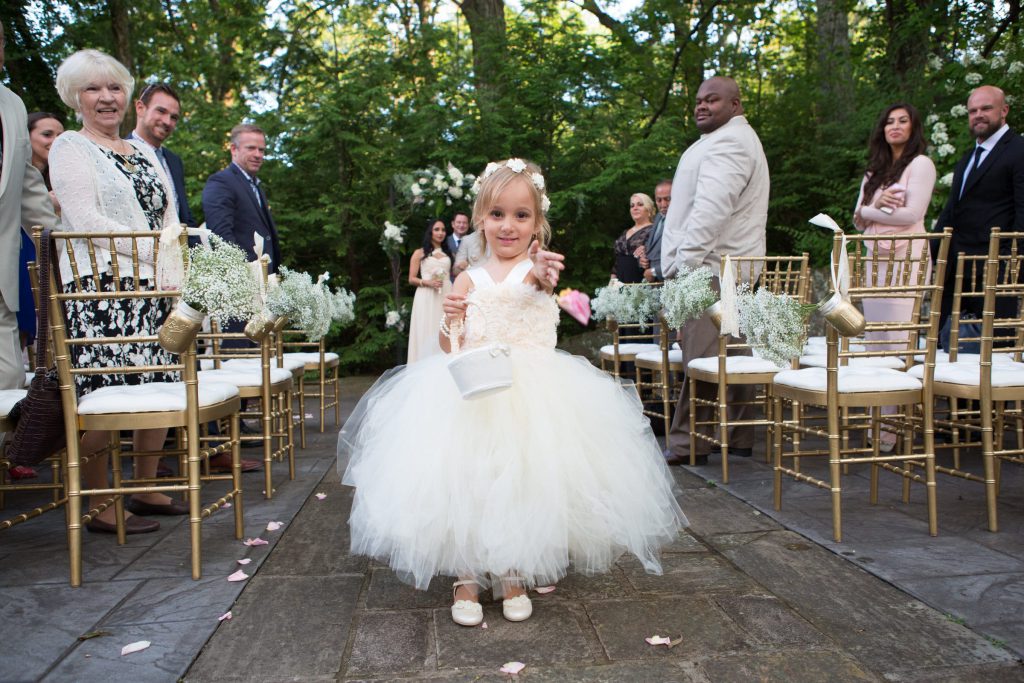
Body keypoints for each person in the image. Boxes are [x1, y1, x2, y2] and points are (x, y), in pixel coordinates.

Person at [338, 158, 685, 628]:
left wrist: (544, 274)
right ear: (481, 218)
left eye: (521, 216)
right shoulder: (466, 277)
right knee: (469, 479)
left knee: (520, 480)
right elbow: (448, 346)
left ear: (537, 223)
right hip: (472, 393)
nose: (508, 225)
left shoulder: (535, 273)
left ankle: (512, 570)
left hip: (532, 395)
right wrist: (452, 318)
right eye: (497, 214)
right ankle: (465, 575)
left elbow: (543, 285)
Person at [48, 49, 186, 533]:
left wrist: (176, 262)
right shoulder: (70, 146)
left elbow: (169, 216)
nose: (106, 97)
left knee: (161, 385)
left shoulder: (144, 151)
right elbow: (85, 220)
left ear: (128, 94)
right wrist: (158, 253)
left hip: (156, 289)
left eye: (114, 87)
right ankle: (101, 501)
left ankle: (144, 485)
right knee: (106, 395)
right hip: (101, 291)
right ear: (75, 97)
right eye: (93, 89)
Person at [661, 76, 770, 466]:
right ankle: (739, 436)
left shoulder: (729, 143)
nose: (701, 106)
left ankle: (689, 443)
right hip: (730, 269)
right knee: (734, 352)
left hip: (708, 270)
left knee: (702, 358)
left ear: (736, 105)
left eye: (713, 100)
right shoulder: (730, 140)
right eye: (698, 100)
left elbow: (710, 209)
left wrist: (682, 266)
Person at [853, 103, 936, 452]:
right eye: (889, 121)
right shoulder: (874, 171)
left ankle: (898, 429)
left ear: (913, 127)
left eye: (903, 121)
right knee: (875, 342)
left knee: (900, 342)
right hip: (876, 262)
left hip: (906, 260)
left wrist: (873, 209)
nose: (895, 126)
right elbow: (856, 217)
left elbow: (912, 213)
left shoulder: (920, 165)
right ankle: (877, 430)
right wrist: (878, 206)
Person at [935, 85, 1024, 328]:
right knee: (947, 348)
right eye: (972, 110)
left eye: (986, 108)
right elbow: (952, 210)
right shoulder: (967, 158)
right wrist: (933, 251)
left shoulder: (1019, 150)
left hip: (995, 267)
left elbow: (1023, 211)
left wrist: (1011, 262)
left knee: (993, 351)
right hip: (957, 267)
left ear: (1004, 110)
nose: (978, 115)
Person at [0, 24, 58, 395]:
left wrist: (67, 247)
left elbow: (27, 188)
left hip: (1, 282)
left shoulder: (13, 106)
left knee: (8, 381)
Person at [202, 123, 280, 269]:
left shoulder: (255, 185)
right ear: (233, 149)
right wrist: (242, 272)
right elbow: (221, 236)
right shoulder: (221, 182)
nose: (258, 155)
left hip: (265, 278)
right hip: (244, 278)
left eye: (261, 150)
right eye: (251, 148)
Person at [128, 83, 195, 226]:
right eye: (161, 111)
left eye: (174, 117)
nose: (167, 121)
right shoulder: (118, 153)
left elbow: (184, 213)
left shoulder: (174, 161)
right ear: (140, 108)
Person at [406, 218, 452, 363]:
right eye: (437, 229)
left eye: (443, 230)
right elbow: (411, 278)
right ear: (430, 232)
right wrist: (428, 282)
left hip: (445, 293)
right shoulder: (419, 253)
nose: (440, 233)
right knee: (427, 328)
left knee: (444, 328)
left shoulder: (448, 253)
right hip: (426, 295)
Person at [611, 193, 655, 283]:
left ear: (649, 209)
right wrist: (612, 281)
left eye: (640, 204)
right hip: (620, 282)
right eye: (632, 205)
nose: (635, 208)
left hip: (640, 282)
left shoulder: (654, 230)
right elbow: (617, 262)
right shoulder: (625, 232)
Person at [642, 179, 672, 282]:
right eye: (659, 200)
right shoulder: (658, 217)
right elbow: (651, 249)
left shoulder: (681, 220)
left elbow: (681, 254)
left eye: (668, 199)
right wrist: (642, 260)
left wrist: (655, 271)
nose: (663, 204)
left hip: (671, 281)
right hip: (655, 284)